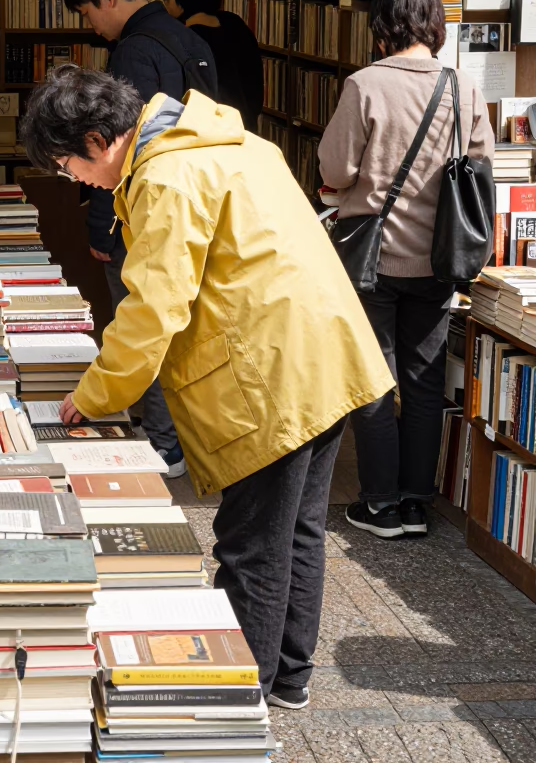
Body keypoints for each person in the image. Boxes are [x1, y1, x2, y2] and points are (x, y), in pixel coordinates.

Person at [20, 66, 393, 707]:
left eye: (65, 165)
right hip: (324, 353)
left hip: (269, 377)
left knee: (250, 544)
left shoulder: (167, 175)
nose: (73, 180)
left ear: (94, 140)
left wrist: (94, 395)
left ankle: (237, 701)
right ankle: (288, 678)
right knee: (297, 529)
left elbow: (153, 308)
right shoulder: (229, 141)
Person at [318, 0, 494, 541]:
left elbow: (335, 169)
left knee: (373, 381)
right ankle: (418, 503)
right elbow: (480, 163)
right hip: (440, 260)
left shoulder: (365, 84)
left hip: (374, 258)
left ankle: (379, 505)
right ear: (435, 25)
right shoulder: (463, 86)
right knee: (422, 382)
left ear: (383, 25)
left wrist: (351, 191)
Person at [63, 0, 218, 478]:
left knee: (143, 315)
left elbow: (116, 151)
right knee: (182, 324)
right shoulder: (189, 38)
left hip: (145, 208)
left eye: (87, 13)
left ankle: (163, 445)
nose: (93, 25)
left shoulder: (133, 52)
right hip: (196, 205)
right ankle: (186, 436)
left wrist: (101, 224)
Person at [160, 0, 264, 132]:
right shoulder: (235, 24)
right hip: (246, 130)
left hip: (208, 137)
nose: (165, 5)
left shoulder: (184, 39)